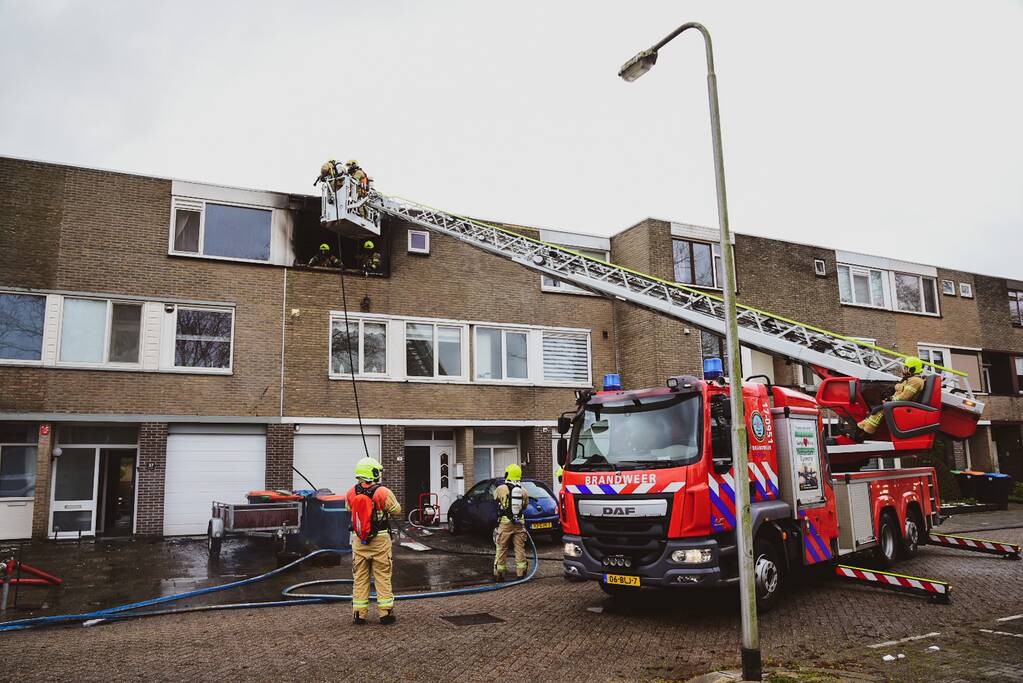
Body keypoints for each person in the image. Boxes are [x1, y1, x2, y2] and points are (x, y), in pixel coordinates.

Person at [345, 457, 402, 625]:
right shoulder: (383, 492)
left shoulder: (350, 492)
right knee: (382, 576)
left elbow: (349, 509)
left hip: (359, 540)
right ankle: (385, 614)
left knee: (360, 578)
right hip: (380, 540)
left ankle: (359, 615)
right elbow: (397, 510)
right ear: (373, 472)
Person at [855, 356, 927, 438]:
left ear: (912, 369)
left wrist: (889, 400)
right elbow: (900, 389)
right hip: (899, 404)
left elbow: (905, 397)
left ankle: (866, 432)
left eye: (906, 368)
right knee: (876, 409)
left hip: (903, 405)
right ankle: (862, 427)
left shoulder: (916, 381)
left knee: (879, 410)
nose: (903, 369)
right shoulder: (910, 379)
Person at [493, 463, 530, 582]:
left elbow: (495, 498)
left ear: (507, 474)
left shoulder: (501, 488)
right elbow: (524, 506)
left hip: (505, 523)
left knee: (502, 548)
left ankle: (499, 574)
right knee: (519, 548)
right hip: (519, 524)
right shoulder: (523, 491)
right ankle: (521, 574)